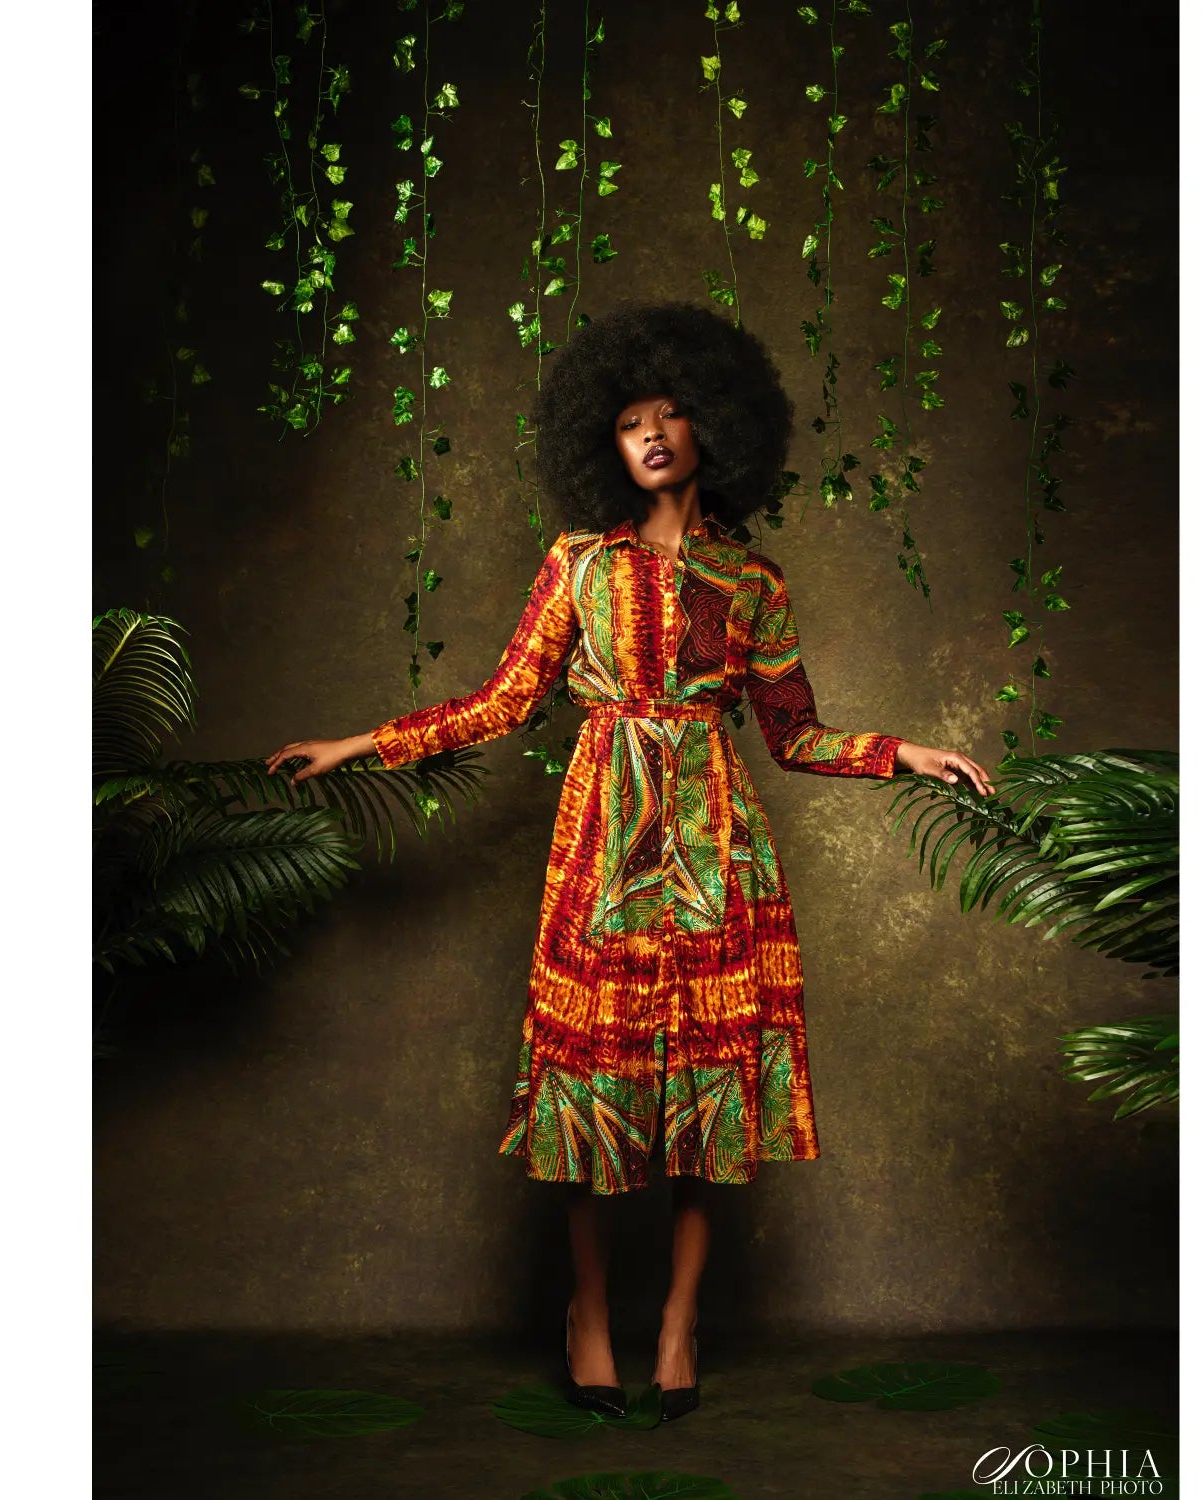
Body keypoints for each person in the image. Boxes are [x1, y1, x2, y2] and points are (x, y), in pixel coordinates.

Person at [265, 300, 994, 1423]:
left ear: (714, 428)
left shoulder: (754, 585)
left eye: (670, 414)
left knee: (707, 1097)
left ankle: (677, 1322)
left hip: (717, 850)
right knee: (590, 1090)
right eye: (627, 422)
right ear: (602, 446)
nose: (650, 434)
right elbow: (506, 701)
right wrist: (360, 745)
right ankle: (592, 1313)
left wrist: (910, 753)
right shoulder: (576, 566)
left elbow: (796, 736)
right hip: (602, 843)